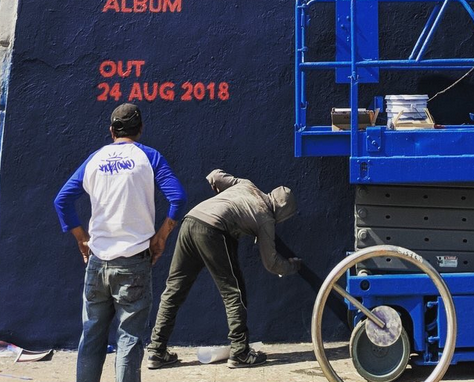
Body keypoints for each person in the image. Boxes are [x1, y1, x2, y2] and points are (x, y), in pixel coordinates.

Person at [54, 104, 186, 382]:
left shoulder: (95, 159)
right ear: (140, 129)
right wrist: (161, 236)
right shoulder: (149, 157)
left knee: (91, 335)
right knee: (129, 339)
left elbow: (62, 200)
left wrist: (81, 239)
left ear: (111, 130)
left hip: (97, 261)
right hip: (134, 262)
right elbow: (178, 198)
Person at [147, 171, 300, 370]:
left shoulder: (247, 185)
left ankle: (156, 351)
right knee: (234, 293)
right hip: (214, 230)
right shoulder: (266, 218)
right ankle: (240, 353)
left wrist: (222, 197)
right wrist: (292, 266)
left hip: (190, 221)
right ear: (282, 212)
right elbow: (271, 263)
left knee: (174, 290)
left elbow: (215, 176)